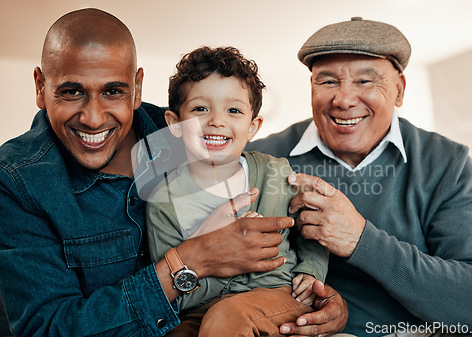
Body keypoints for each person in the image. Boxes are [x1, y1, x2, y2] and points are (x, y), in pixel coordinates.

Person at [0, 8, 347, 337]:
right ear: (40, 87)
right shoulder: (19, 180)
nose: (93, 117)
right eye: (72, 91)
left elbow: (302, 225)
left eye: (113, 91)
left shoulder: (202, 139)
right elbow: (47, 329)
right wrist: (193, 259)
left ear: (136, 88)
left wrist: (322, 290)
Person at [246, 17, 472, 337]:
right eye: (327, 82)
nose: (344, 99)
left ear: (399, 89)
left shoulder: (447, 163)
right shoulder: (261, 158)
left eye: (366, 81)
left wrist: (359, 239)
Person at [145, 46, 329, 336]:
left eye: (233, 110)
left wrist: (312, 269)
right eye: (200, 109)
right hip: (201, 309)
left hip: (278, 295)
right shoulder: (163, 201)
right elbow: (178, 291)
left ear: (252, 126)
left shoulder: (275, 172)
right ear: (174, 125)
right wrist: (218, 253)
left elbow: (313, 228)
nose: (217, 120)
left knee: (227, 317)